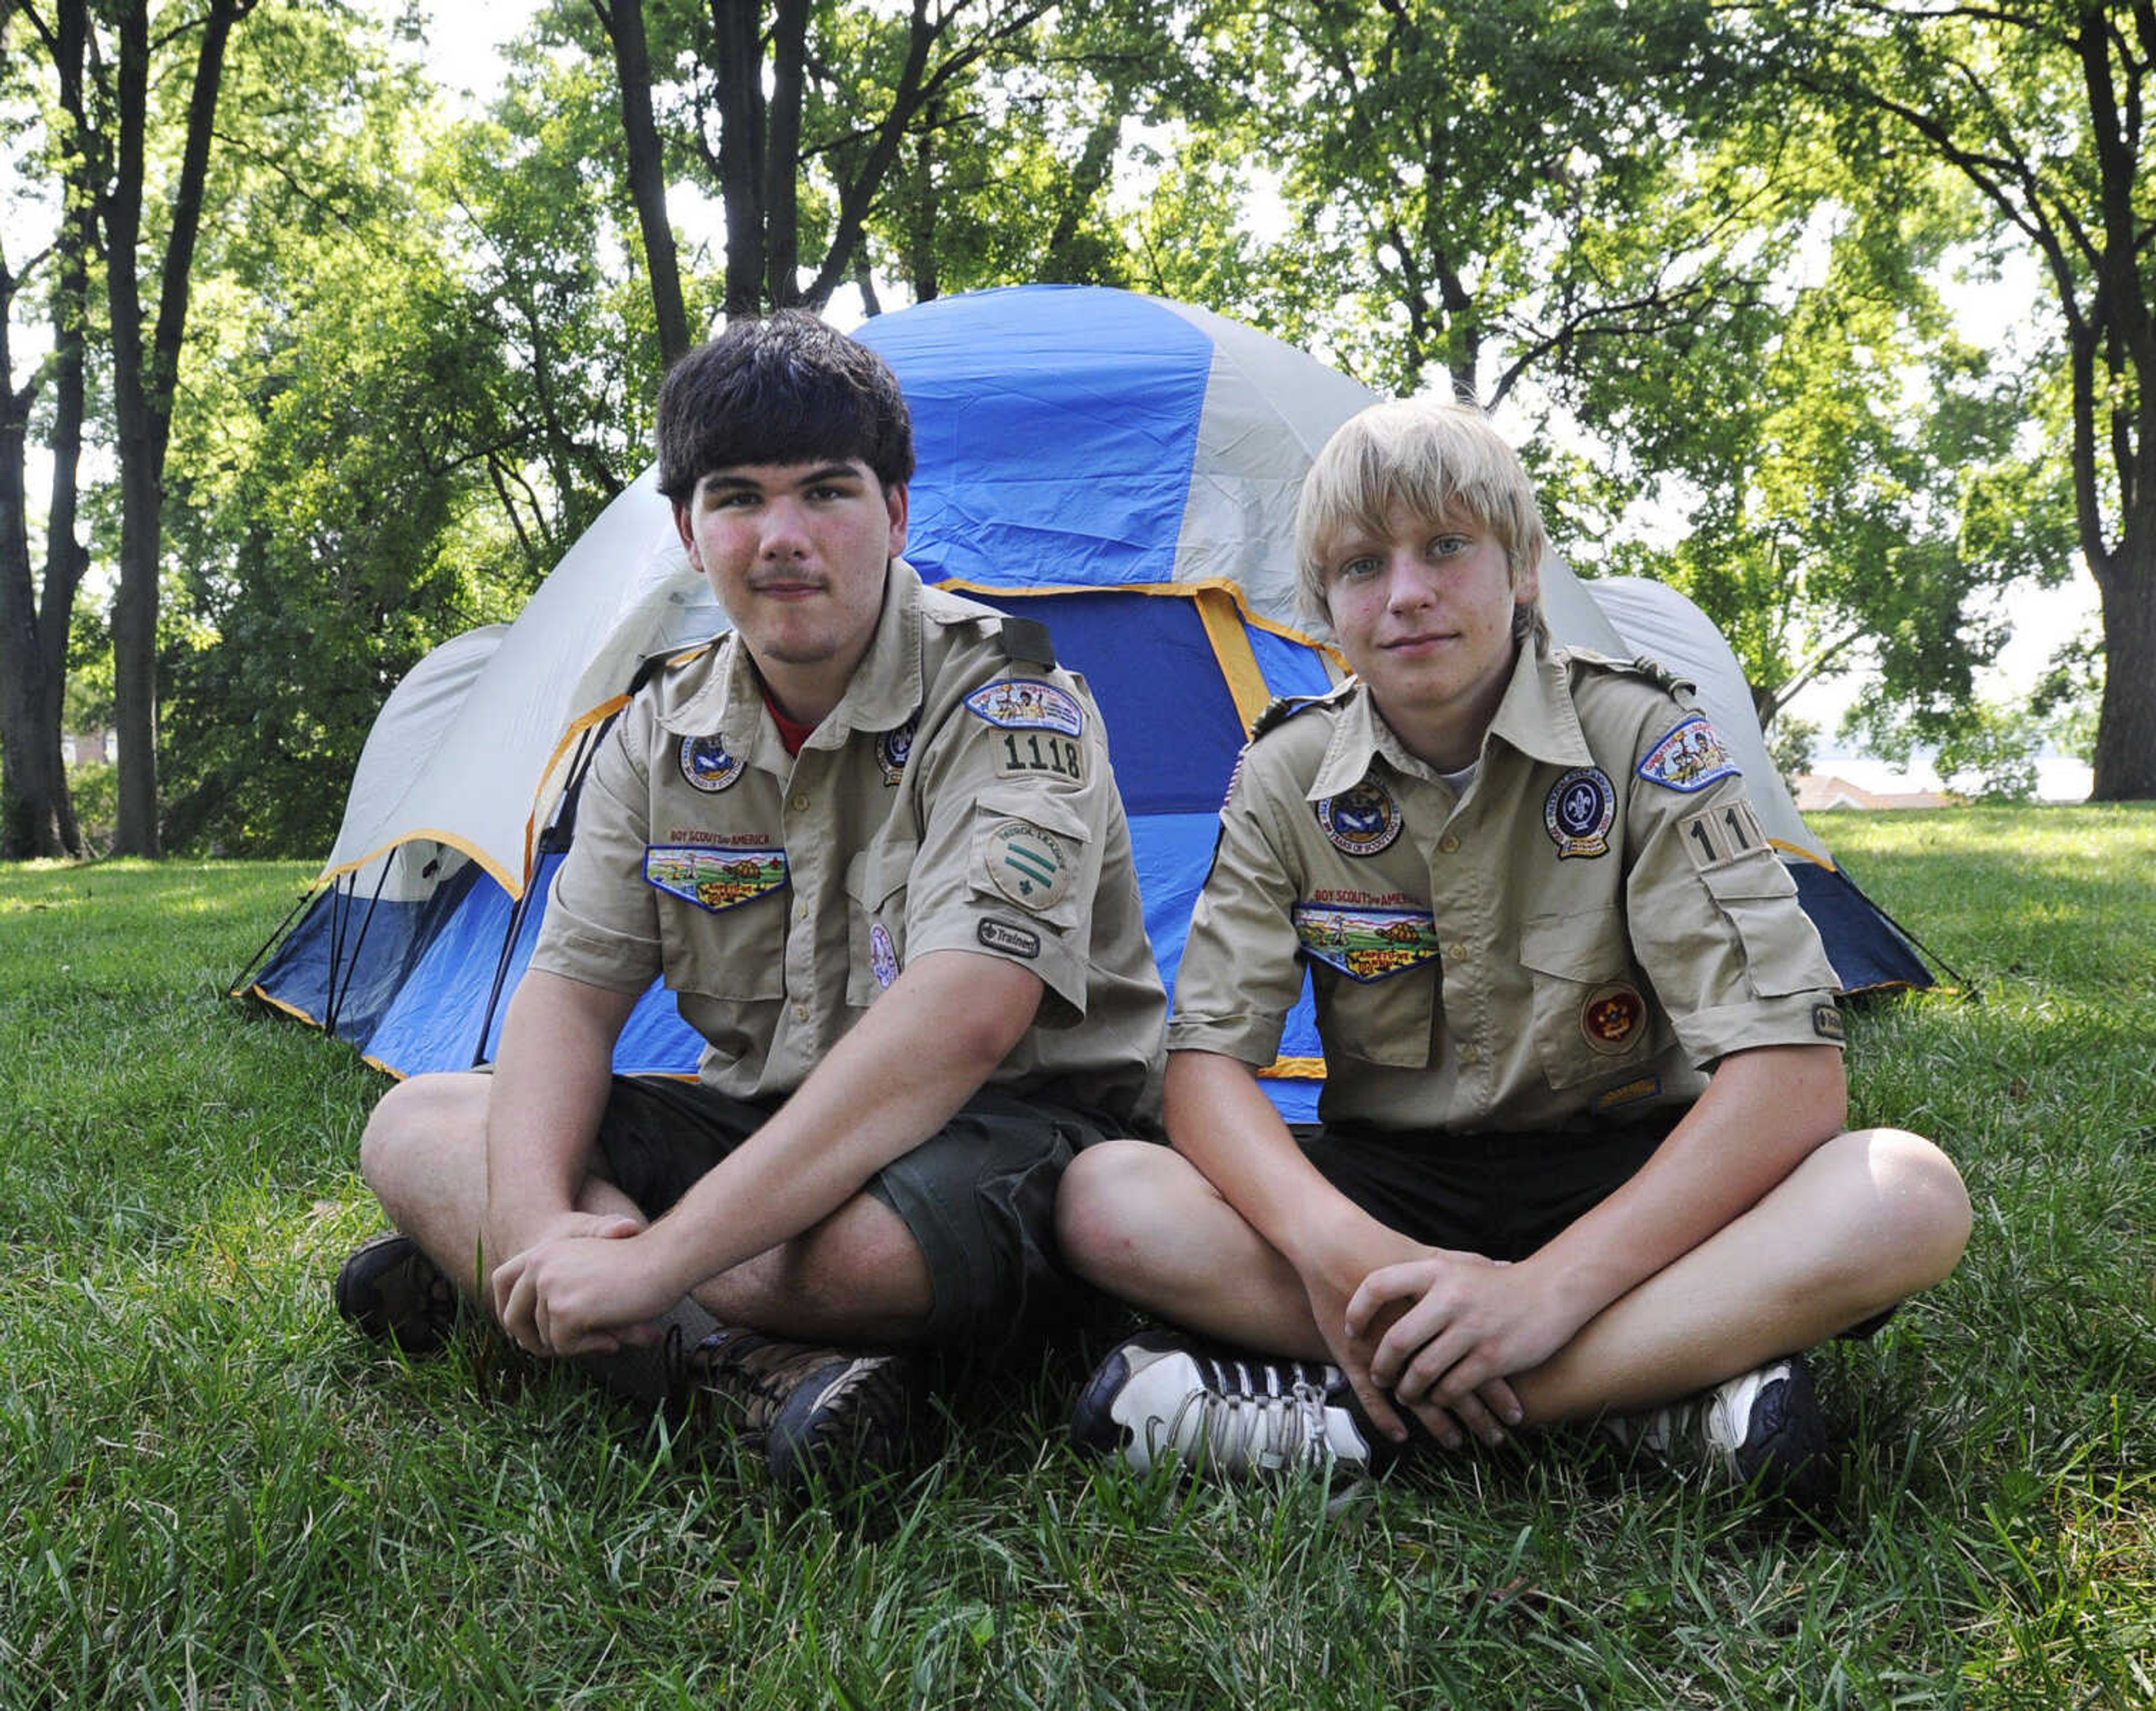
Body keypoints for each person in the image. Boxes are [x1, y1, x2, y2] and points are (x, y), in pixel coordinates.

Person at [1054, 398, 1970, 1500]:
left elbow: (1789, 1079)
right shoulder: (1284, 777)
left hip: (1635, 1183)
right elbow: (1206, 1073)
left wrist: (1542, 1296)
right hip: (1394, 1194)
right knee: (1108, 1197)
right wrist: (1351, 1260)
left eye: (1447, 547)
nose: (1406, 594)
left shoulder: (1646, 742)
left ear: (1523, 567)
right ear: (1322, 609)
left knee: (1906, 1194)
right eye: (1361, 566)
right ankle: (1663, 1400)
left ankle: (1372, 1417)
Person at [336, 312, 1164, 1502]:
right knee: (417, 1124)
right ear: (689, 530)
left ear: (897, 512)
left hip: (1011, 1132)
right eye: (737, 498)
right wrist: (534, 1229)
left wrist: (655, 1252)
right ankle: (734, 1366)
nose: (781, 538)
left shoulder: (1013, 701)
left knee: (854, 1255)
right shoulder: (659, 732)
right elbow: (569, 998)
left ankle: (570, 1306)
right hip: (771, 1117)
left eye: (826, 492)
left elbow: (964, 1021)